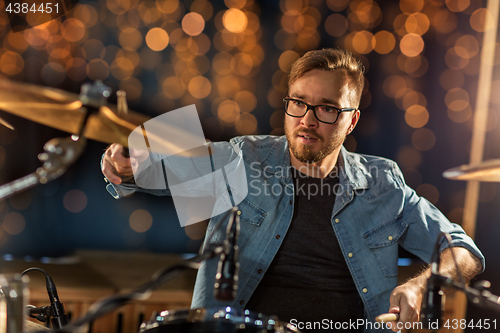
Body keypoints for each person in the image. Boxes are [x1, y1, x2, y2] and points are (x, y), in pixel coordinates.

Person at [101, 48, 484, 333]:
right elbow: (155, 169)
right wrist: (127, 165)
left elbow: (465, 252)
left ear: (352, 122)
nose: (308, 119)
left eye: (327, 109)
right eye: (298, 103)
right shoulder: (244, 159)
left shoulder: (383, 183)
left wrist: (421, 286)